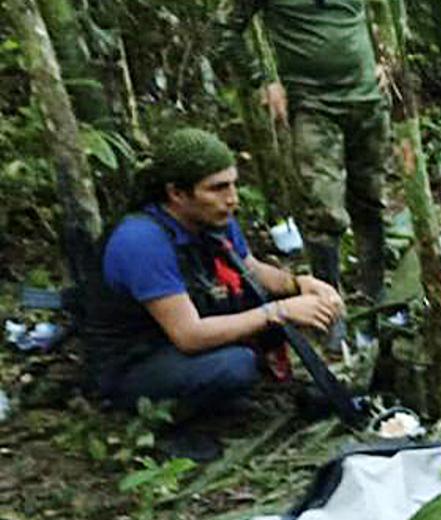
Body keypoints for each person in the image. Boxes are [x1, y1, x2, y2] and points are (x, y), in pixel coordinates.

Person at [87, 128, 345, 459]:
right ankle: (160, 423)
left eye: (233, 184)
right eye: (217, 188)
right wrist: (279, 311)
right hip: (135, 360)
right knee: (235, 366)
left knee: (253, 305)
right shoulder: (141, 241)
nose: (232, 198)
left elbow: (250, 270)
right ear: (177, 193)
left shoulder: (212, 218)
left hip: (179, 331)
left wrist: (300, 284)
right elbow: (188, 335)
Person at [216, 0, 390, 310]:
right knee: (324, 210)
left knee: (371, 199)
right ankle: (328, 306)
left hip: (367, 99)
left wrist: (383, 57)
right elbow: (223, 30)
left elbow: (374, 12)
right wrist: (264, 82)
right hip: (313, 106)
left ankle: (375, 295)